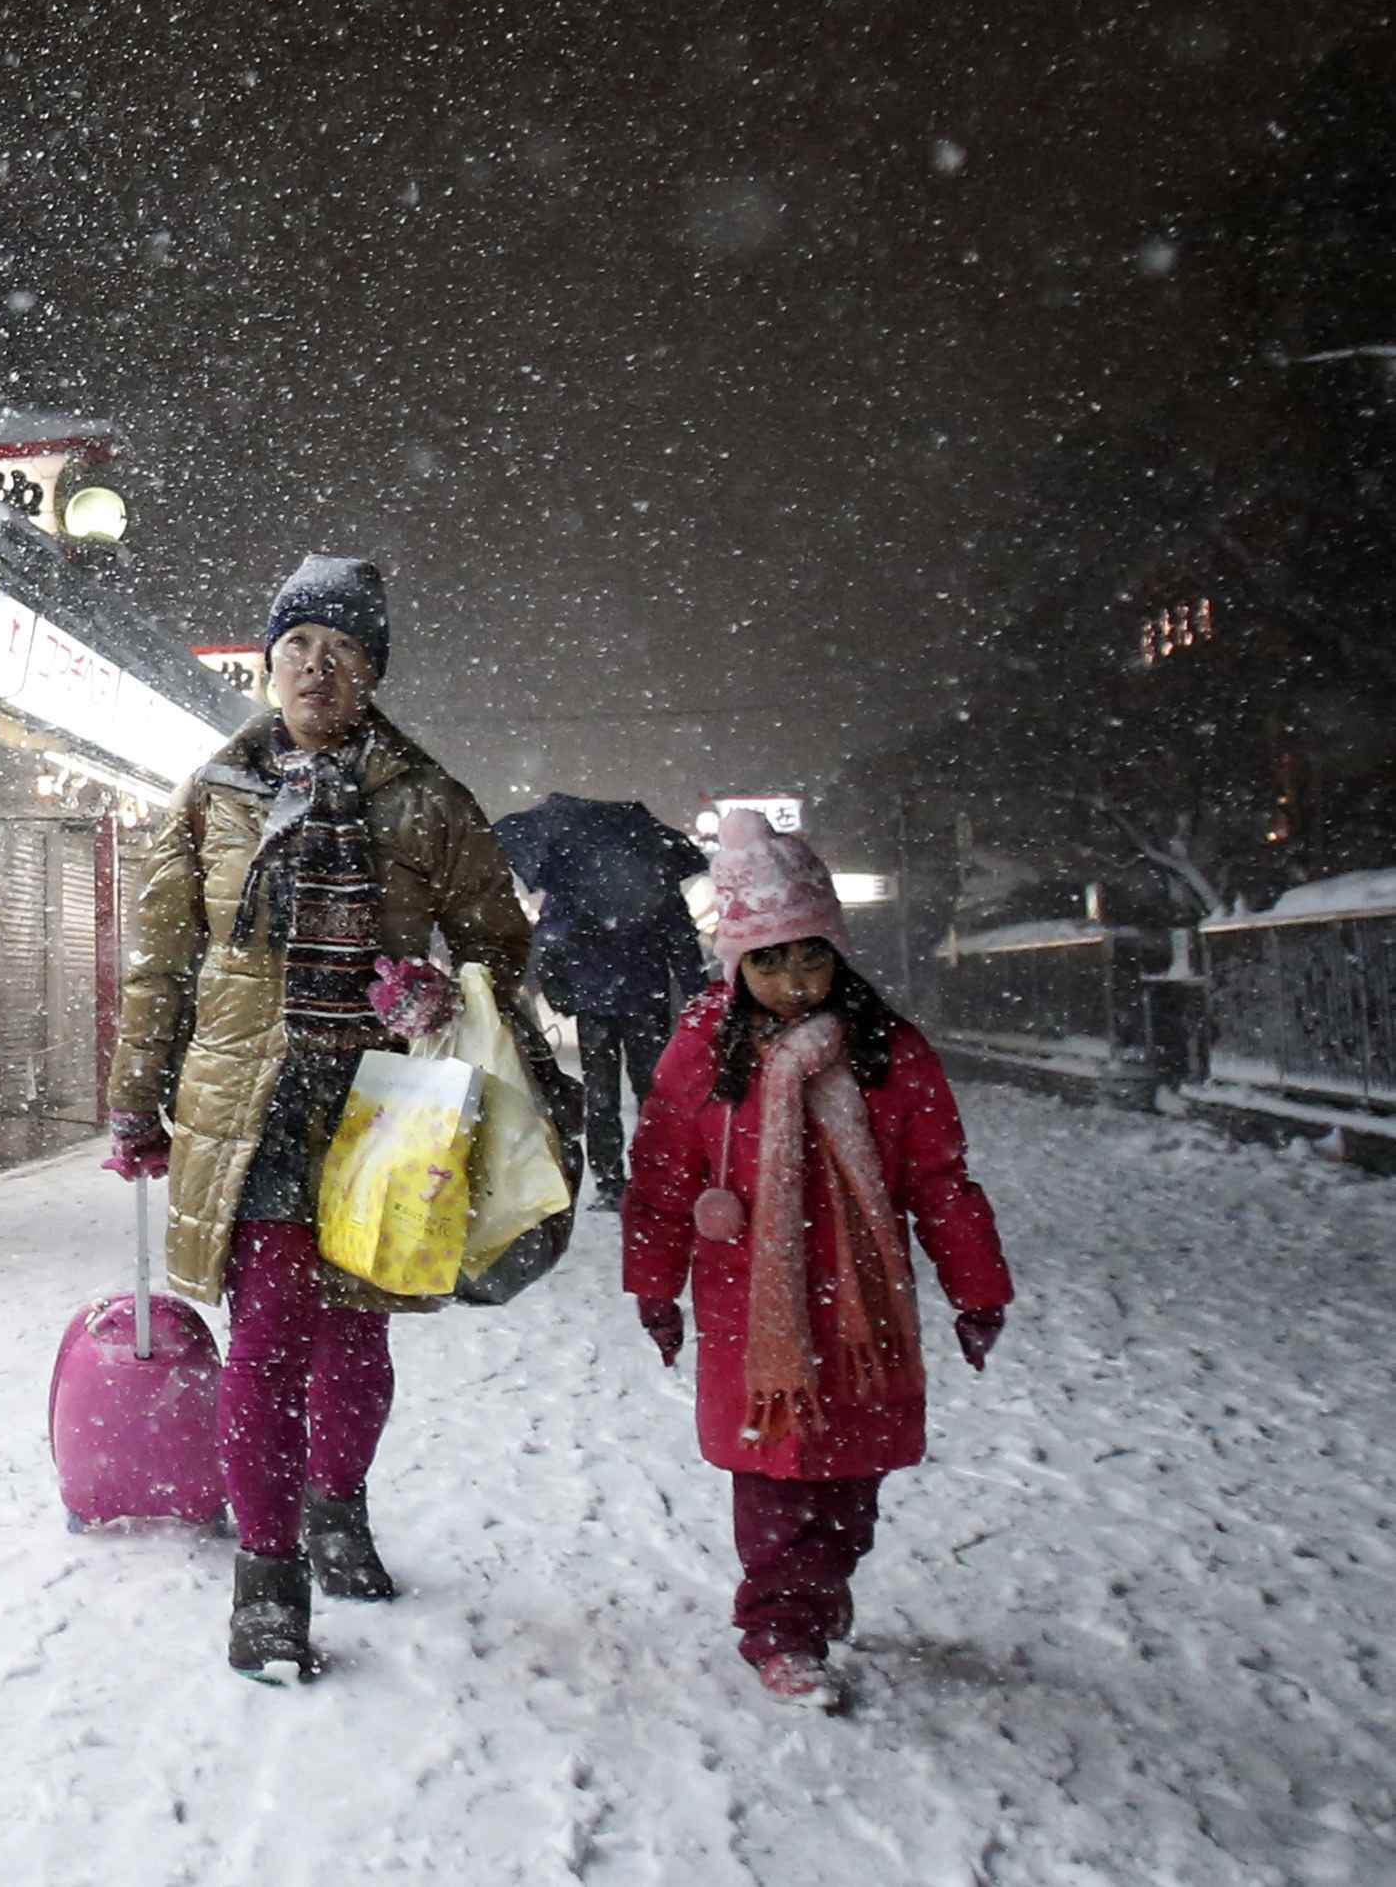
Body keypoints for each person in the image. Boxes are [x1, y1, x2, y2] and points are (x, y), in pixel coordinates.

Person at [103, 555, 544, 1683]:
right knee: (263, 1341)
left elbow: (501, 941)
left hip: (381, 1101)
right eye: (296, 643)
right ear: (267, 663)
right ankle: (266, 1580)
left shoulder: (426, 800)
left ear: (372, 670)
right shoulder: (214, 794)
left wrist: (447, 995)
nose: (315, 664)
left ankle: (335, 1507)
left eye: (340, 647)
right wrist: (132, 1099)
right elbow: (163, 961)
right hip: (250, 1101)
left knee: (356, 1332)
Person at [620, 811, 1014, 1711]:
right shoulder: (702, 1053)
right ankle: (779, 1627)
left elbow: (941, 1181)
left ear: (838, 949)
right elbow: (661, 1177)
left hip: (862, 1306)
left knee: (850, 1486)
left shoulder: (888, 1050)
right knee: (774, 1480)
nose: (792, 982)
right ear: (736, 963)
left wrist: (976, 1289)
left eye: (810, 957)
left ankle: (817, 1588)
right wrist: (655, 1287)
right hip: (750, 1312)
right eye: (768, 961)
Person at [494, 793, 711, 1209]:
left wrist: (556, 985)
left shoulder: (571, 876)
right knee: (654, 1092)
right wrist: (699, 997)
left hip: (596, 1001)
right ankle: (657, 1173)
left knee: (601, 1095)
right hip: (647, 996)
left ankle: (611, 1183)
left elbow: (551, 941)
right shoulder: (655, 871)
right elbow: (681, 940)